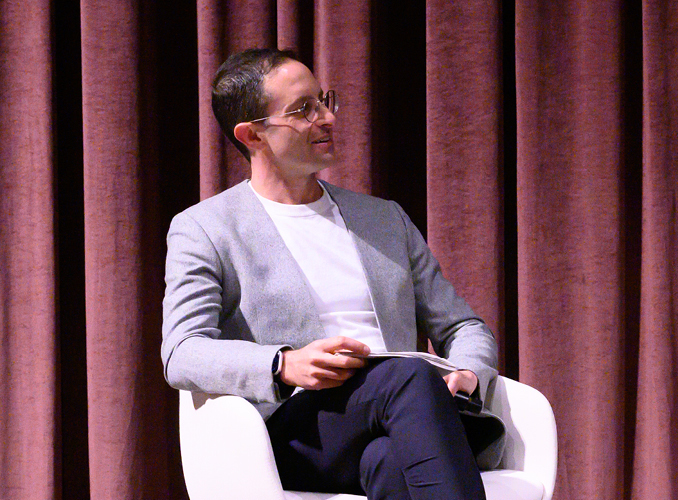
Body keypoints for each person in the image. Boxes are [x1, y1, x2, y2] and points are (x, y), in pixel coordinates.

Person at [160, 48, 500, 500]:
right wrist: (284, 365)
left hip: (405, 417)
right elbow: (182, 352)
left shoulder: (383, 219)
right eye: (304, 109)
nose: (327, 118)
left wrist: (469, 374)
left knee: (391, 462)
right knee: (409, 376)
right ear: (253, 135)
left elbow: (462, 325)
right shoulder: (205, 228)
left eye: (324, 100)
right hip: (299, 433)